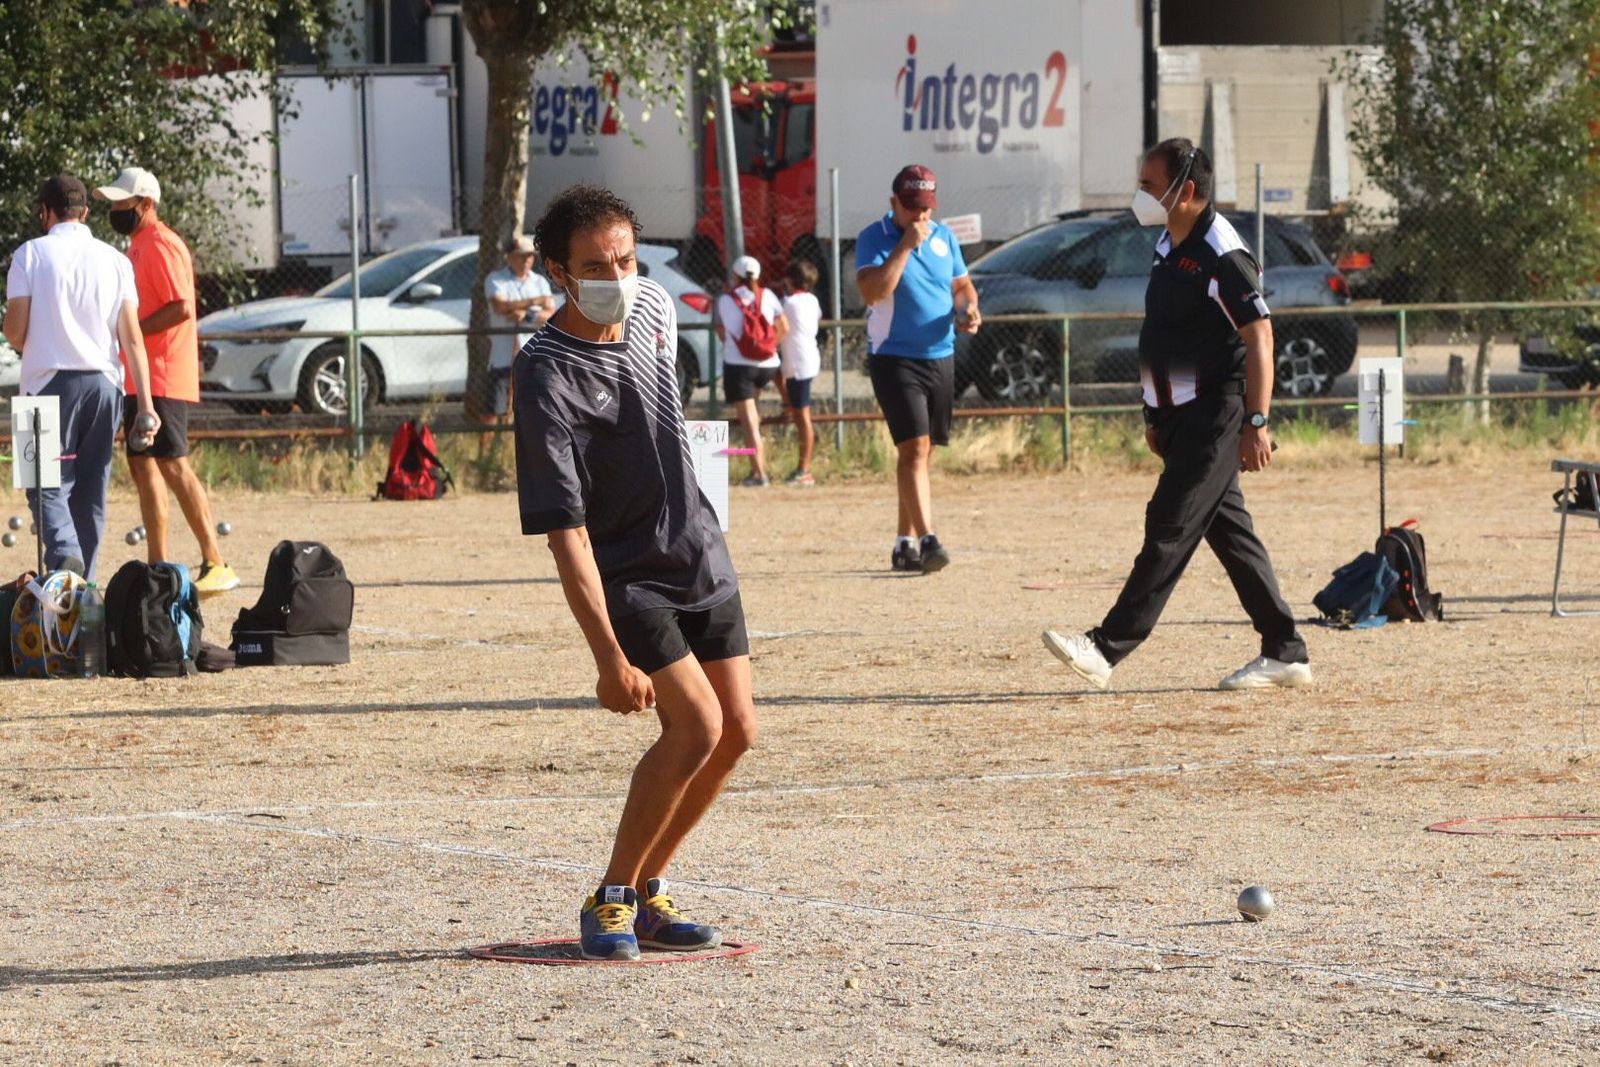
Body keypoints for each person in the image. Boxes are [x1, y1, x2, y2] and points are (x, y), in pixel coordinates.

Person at [516, 184, 756, 961]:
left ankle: (650, 892)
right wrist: (607, 657)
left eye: (624, 258)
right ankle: (611, 896)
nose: (615, 276)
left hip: (701, 553)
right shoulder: (543, 371)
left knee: (737, 731)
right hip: (630, 573)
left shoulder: (654, 306)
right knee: (696, 725)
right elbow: (565, 534)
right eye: (594, 266)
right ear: (558, 271)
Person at [1042, 139, 1313, 692]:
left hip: (1217, 414)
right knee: (1231, 536)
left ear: (1185, 190)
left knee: (1168, 524)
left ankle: (1105, 648)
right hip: (1178, 417)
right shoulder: (1169, 242)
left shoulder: (1222, 252)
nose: (1140, 195)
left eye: (1148, 185)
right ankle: (1285, 651)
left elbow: (1260, 337)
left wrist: (1256, 422)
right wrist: (1154, 414)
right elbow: (1166, 333)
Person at [3, 175, 160, 580]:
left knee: (42, 485)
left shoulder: (29, 254)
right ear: (85, 213)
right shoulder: (116, 260)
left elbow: (15, 333)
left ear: (45, 212)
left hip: (43, 383)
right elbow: (132, 338)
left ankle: (64, 555)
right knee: (91, 489)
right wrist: (145, 405)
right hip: (104, 386)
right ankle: (83, 591)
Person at [93, 167, 238, 593]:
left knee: (173, 463)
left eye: (122, 202)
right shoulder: (137, 245)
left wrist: (133, 334)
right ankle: (158, 563)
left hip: (161, 375)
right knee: (143, 466)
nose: (115, 209)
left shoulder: (161, 243)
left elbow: (181, 307)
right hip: (140, 378)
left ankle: (216, 561)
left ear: (145, 204)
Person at [855, 164, 980, 574]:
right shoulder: (874, 237)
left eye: (926, 207)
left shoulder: (945, 237)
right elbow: (874, 291)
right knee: (913, 447)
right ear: (894, 203)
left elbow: (961, 286)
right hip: (894, 357)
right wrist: (905, 246)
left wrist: (968, 308)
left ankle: (903, 543)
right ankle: (929, 540)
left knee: (922, 452)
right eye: (912, 207)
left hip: (940, 355)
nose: (921, 216)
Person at [714, 255, 788, 486]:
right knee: (753, 416)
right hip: (768, 365)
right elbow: (784, 327)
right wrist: (767, 347)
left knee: (749, 423)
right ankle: (757, 466)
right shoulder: (768, 295)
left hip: (739, 367)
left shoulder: (724, 300)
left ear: (735, 276)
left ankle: (758, 474)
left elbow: (722, 333)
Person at [481, 234, 555, 453]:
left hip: (534, 357)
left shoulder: (540, 281)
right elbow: (501, 307)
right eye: (521, 256)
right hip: (503, 356)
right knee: (493, 409)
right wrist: (535, 302)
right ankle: (485, 454)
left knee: (533, 409)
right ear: (509, 257)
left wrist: (526, 314)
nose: (527, 260)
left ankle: (523, 453)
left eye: (530, 256)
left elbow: (550, 315)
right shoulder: (496, 279)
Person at [778, 260, 822, 486]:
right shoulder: (812, 300)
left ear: (789, 280)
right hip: (808, 359)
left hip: (798, 364)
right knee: (799, 413)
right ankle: (788, 403)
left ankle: (804, 469)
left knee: (803, 418)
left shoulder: (788, 303)